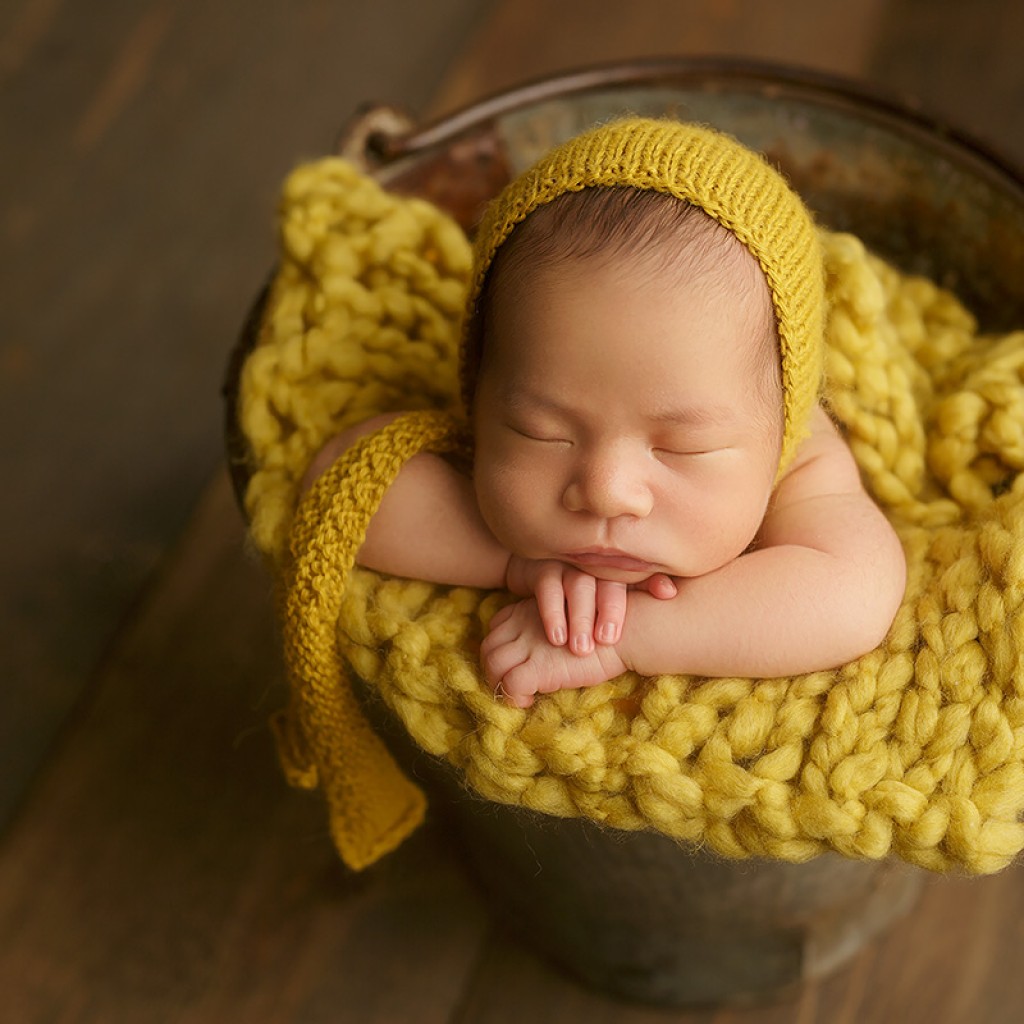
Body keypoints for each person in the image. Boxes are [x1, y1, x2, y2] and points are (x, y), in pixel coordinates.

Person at [302, 118, 907, 709]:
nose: (606, 492)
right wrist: (515, 563)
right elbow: (346, 482)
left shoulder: (799, 454)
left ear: (782, 425)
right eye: (544, 434)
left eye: (681, 447)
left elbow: (853, 592)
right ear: (481, 393)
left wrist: (629, 636)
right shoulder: (514, 400)